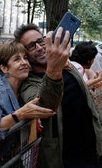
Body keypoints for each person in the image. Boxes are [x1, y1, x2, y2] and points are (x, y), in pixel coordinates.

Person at [14, 23, 102, 168]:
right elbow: (43, 107)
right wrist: (53, 69)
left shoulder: (67, 65)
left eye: (40, 41)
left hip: (94, 150)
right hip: (67, 159)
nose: (39, 47)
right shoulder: (29, 82)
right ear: (25, 54)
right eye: (31, 46)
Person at [0, 41, 56, 167]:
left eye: (25, 58)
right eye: (17, 59)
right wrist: (21, 114)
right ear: (4, 68)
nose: (24, 62)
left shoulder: (22, 84)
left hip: (12, 157)